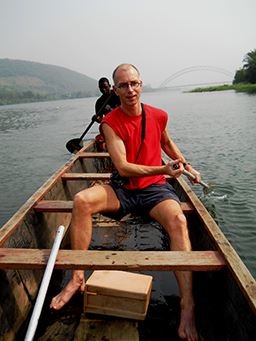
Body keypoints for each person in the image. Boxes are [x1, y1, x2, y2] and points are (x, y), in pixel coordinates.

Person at [50, 64, 200, 341]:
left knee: (179, 219)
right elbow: (124, 167)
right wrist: (164, 170)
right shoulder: (110, 122)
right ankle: (77, 278)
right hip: (125, 188)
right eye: (123, 85)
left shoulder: (159, 115)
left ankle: (187, 305)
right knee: (82, 200)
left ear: (141, 84)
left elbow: (166, 142)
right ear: (116, 90)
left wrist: (186, 166)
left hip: (155, 191)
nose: (129, 90)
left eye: (133, 83)